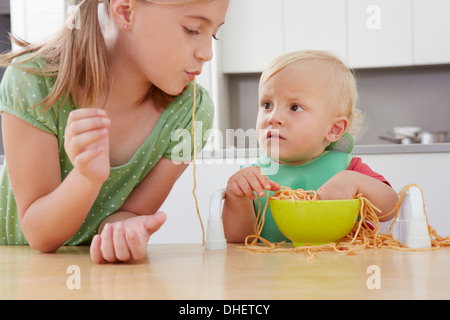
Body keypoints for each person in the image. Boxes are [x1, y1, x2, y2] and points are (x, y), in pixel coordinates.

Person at [0, 0, 229, 263]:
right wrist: (86, 178)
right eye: (192, 29)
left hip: (101, 278)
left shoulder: (191, 113)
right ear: (125, 11)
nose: (207, 53)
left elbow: (130, 213)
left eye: (214, 33)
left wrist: (123, 230)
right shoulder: (34, 82)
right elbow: (40, 236)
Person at [222, 50, 399, 243]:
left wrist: (355, 182)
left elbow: (390, 209)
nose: (273, 118)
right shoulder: (252, 178)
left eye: (295, 107)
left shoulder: (347, 168)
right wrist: (237, 197)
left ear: (334, 129)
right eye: (267, 105)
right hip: (271, 272)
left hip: (341, 268)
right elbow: (238, 240)